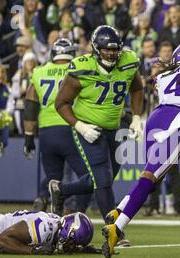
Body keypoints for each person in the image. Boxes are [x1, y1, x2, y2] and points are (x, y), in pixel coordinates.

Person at [102, 42, 180, 258]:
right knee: (152, 176)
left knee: (152, 175)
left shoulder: (164, 76)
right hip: (179, 121)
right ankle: (117, 228)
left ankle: (119, 210)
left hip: (156, 118)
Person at [54, 26, 144, 221]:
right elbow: (61, 103)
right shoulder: (82, 68)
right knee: (102, 180)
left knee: (106, 177)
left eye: (114, 49)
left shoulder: (128, 61)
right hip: (89, 128)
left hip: (114, 127)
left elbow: (137, 88)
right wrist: (80, 126)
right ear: (96, 49)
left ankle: (61, 190)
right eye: (106, 49)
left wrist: (137, 117)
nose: (111, 53)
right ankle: (112, 229)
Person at [23, 38, 92, 215]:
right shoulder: (78, 69)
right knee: (90, 177)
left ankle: (42, 203)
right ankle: (78, 216)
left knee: (53, 178)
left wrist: (29, 137)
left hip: (47, 133)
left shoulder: (39, 72)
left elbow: (30, 107)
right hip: (71, 128)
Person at [0, 210, 94, 255]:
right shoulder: (45, 228)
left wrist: (82, 249)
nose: (72, 247)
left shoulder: (57, 224)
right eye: (73, 243)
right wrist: (32, 250)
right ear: (67, 229)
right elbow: (1, 240)